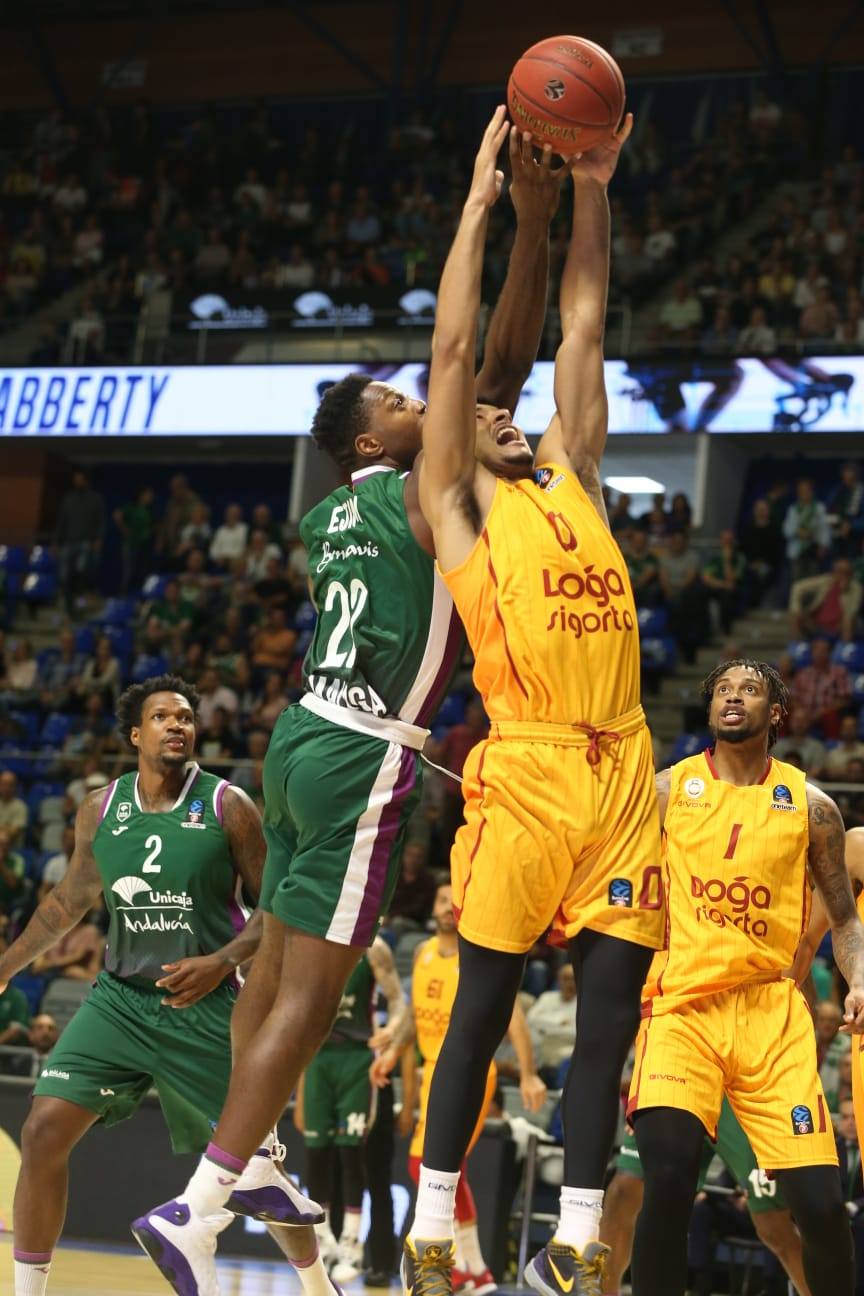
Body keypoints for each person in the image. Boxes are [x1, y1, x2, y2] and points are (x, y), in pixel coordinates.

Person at [135, 117, 570, 1296]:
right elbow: (483, 352)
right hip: (366, 750)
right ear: (373, 436)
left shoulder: (334, 514)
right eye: (394, 395)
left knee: (270, 969)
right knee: (316, 992)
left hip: (297, 738)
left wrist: (527, 217)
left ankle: (266, 1157)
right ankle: (205, 1200)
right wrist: (499, 213)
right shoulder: (422, 488)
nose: (412, 395)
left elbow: (487, 375)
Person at [402, 108, 663, 1296]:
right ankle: (429, 1217)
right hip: (530, 769)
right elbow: (457, 356)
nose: (505, 412)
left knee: (608, 1015)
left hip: (621, 774)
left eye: (520, 412)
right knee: (482, 1007)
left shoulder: (578, 474)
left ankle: (573, 1234)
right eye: (486, 416)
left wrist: (597, 187)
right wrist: (479, 202)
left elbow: (584, 320)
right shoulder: (456, 505)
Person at [0, 675, 327, 1296]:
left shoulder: (229, 806)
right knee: (43, 1131)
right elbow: (70, 898)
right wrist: (8, 965)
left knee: (259, 1177)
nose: (178, 726)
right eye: (162, 717)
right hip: (120, 1003)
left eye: (185, 718)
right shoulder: (101, 808)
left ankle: (317, 1286)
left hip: (206, 1006)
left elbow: (275, 910)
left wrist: (222, 959)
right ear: (135, 734)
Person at [627, 658, 864, 1296]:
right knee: (671, 1177)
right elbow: (616, 884)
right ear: (709, 711)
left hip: (772, 1018)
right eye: (723, 691)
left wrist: (859, 979)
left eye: (750, 690)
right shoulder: (665, 792)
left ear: (775, 712)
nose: (733, 698)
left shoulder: (812, 807)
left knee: (818, 1206)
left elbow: (844, 920)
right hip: (682, 1010)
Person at [399, 883, 546, 1295]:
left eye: (454, 900)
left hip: (470, 1074)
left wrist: (530, 1073)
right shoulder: (423, 952)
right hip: (432, 1071)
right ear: (433, 907)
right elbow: (413, 1015)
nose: (448, 907)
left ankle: (467, 1267)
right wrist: (392, 1045)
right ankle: (474, 1271)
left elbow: (513, 1015)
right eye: (441, 899)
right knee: (442, 1170)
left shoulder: (477, 955)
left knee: (429, 1167)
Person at [599, 1098, 813, 1296]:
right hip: (676, 1076)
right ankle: (602, 1291)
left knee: (773, 1224)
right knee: (626, 1190)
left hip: (737, 1086)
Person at [298, 936, 408, 1284]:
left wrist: (390, 1029)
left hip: (358, 1057)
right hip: (319, 1054)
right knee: (315, 1153)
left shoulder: (373, 948)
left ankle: (351, 1244)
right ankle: (322, 1239)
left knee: (351, 1152)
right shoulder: (312, 941)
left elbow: (397, 1000)